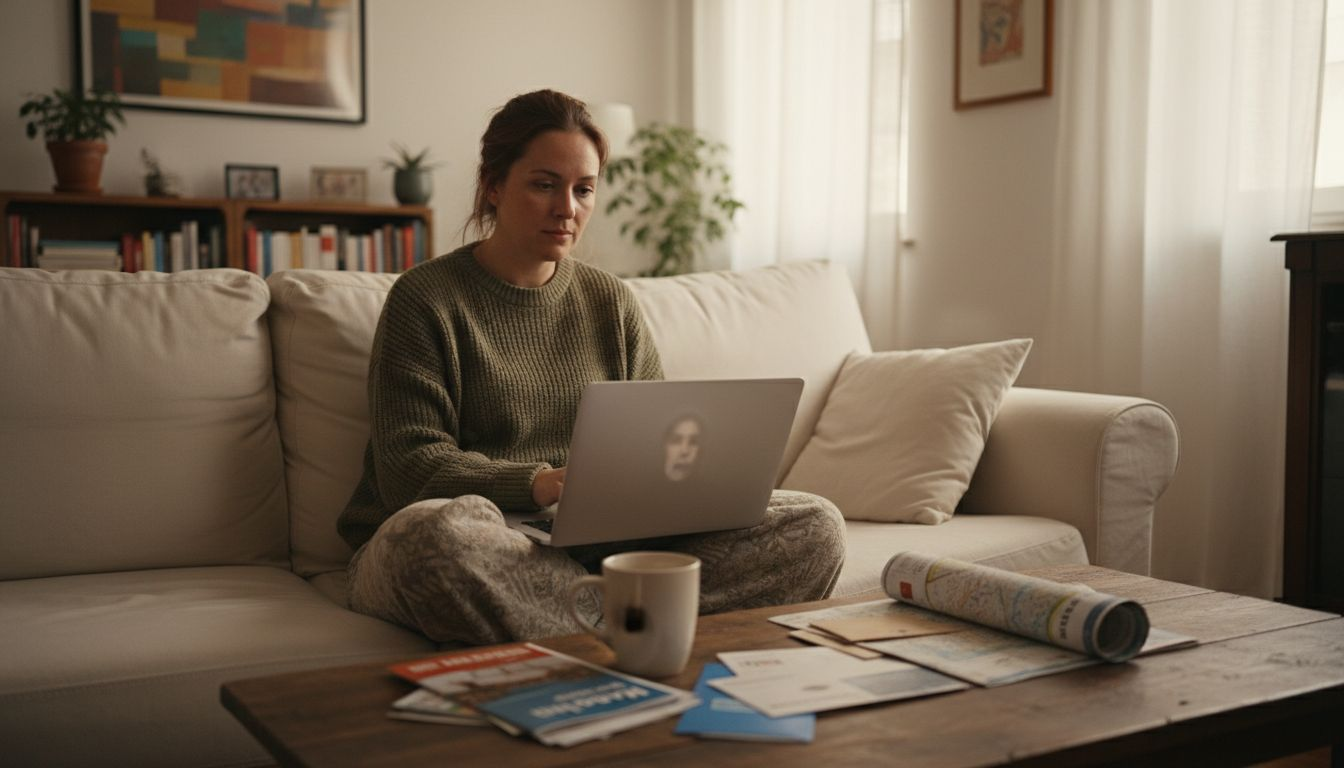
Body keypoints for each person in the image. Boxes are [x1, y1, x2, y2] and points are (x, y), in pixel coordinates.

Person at [338, 89, 846, 646]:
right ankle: (637, 622)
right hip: (485, 538)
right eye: (544, 185)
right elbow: (408, 468)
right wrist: (539, 484)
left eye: (583, 189)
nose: (567, 209)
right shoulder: (424, 299)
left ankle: (579, 619)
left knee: (815, 525)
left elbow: (654, 445)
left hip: (597, 545)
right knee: (439, 539)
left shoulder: (611, 301)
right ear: (493, 185)